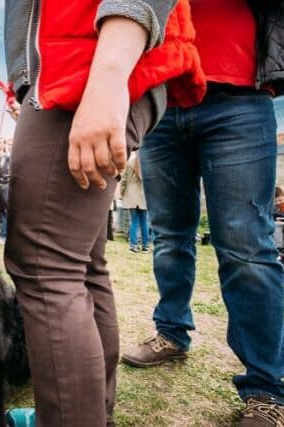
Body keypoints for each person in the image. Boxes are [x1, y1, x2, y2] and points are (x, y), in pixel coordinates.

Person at [2, 0, 205, 425]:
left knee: (46, 267)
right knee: (80, 266)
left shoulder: (96, 69)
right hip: (80, 68)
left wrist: (109, 74)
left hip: (85, 66)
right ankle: (92, 414)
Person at [122, 2, 284, 425]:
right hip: (162, 99)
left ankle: (267, 387)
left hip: (240, 98)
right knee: (169, 236)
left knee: (247, 245)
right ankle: (171, 332)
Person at [119, 149, 149, 252]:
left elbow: (123, 180)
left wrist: (121, 193)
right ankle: (145, 246)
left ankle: (133, 246)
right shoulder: (147, 162)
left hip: (131, 194)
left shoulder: (129, 162)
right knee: (145, 221)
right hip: (144, 195)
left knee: (134, 221)